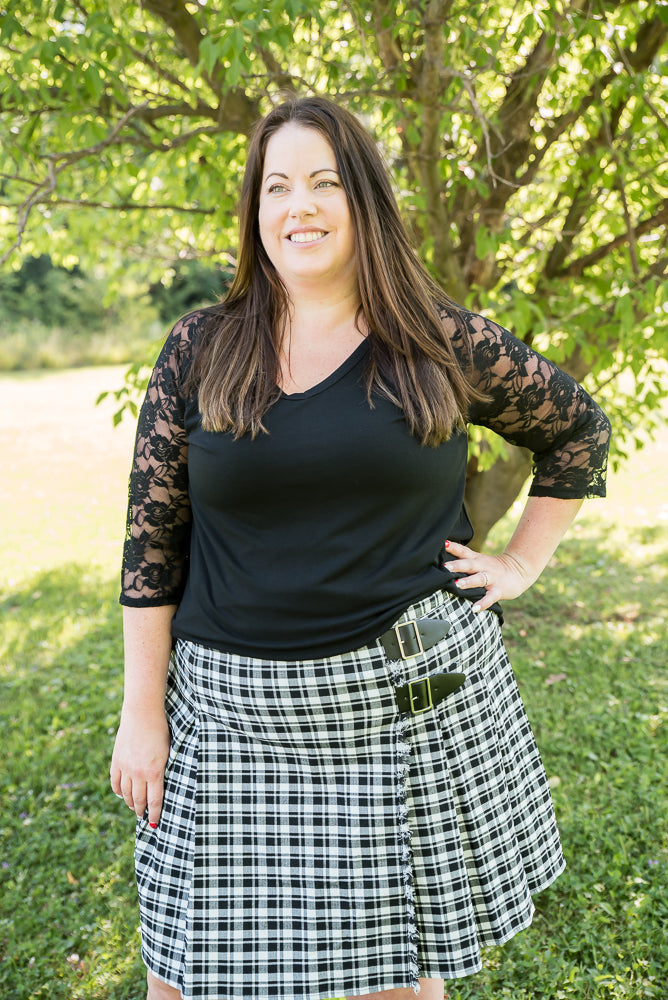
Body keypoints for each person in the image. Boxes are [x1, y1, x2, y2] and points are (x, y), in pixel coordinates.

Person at [110, 95, 611, 1000]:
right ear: (255, 212)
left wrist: (524, 562)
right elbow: (152, 545)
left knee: (395, 982)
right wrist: (144, 711)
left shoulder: (435, 339)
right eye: (277, 187)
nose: (298, 206)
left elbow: (577, 432)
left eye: (323, 182)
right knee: (183, 981)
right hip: (230, 721)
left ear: (362, 200)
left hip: (399, 712)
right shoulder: (199, 348)